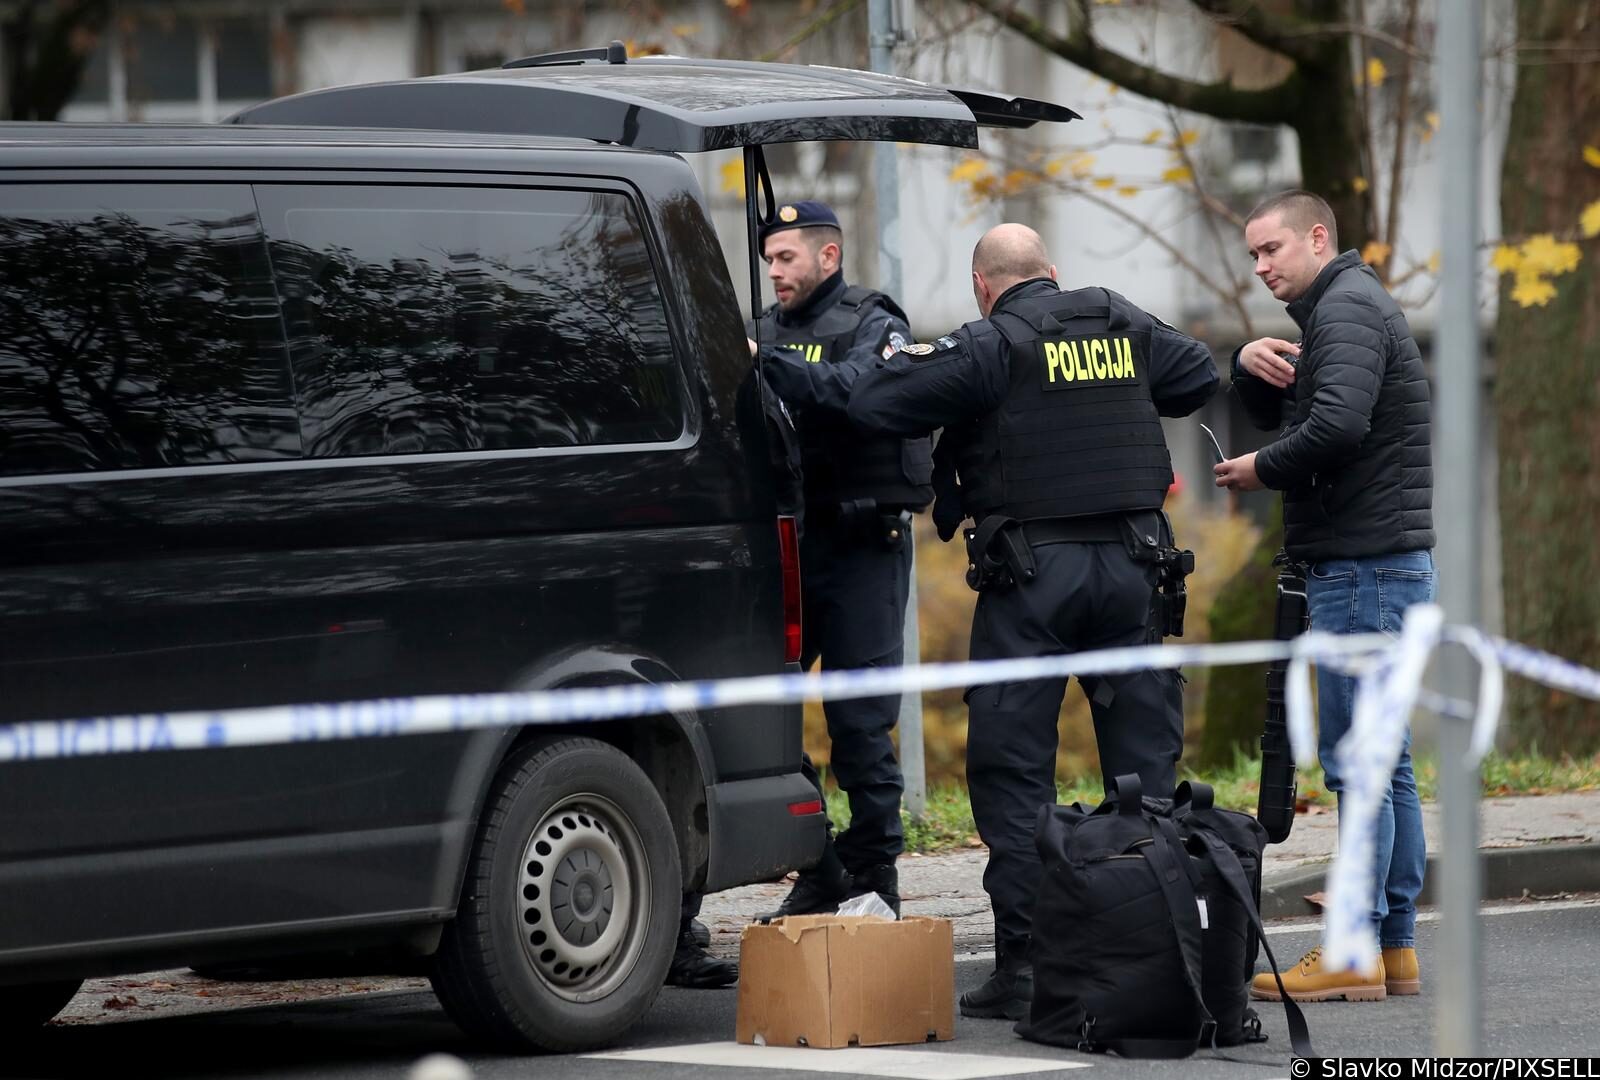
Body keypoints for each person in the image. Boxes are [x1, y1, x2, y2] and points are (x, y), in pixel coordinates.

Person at [847, 223, 1218, 1021]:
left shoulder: (990, 345)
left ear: (984, 285)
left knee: (1014, 774)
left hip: (1033, 582)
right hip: (1133, 573)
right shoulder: (1119, 319)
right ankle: (1154, 951)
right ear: (1053, 272)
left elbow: (874, 401)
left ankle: (1024, 964)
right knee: (1144, 773)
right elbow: (1195, 376)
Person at [1215, 189, 1434, 1004]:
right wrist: (1247, 368)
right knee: (1388, 764)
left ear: (1317, 237)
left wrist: (1257, 468)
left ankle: (1353, 947)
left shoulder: (1343, 311)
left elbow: (1337, 428)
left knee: (1359, 766)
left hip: (1363, 572)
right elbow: (1329, 412)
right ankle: (1395, 946)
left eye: (1272, 250)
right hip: (1385, 568)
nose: (1262, 267)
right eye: (1253, 256)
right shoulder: (1347, 309)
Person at [746, 200, 933, 919]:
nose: (774, 271)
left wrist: (775, 367)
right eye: (768, 260)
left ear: (829, 256)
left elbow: (862, 390)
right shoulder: (760, 332)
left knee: (858, 723)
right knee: (769, 718)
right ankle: (821, 863)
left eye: (786, 257)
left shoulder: (873, 320)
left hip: (862, 546)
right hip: (790, 545)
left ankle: (876, 879)